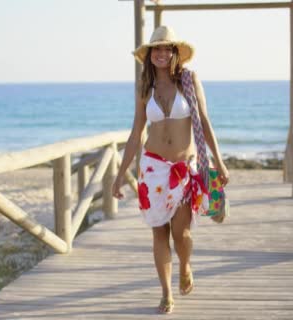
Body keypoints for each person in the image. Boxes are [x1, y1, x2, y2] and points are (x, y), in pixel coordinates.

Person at [112, 26, 230, 314]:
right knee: (158, 234)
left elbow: (204, 121)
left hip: (182, 168)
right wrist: (118, 176)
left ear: (175, 53)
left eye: (167, 48)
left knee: (182, 234)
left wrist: (219, 160)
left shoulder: (188, 80)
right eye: (156, 49)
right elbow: (136, 133)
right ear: (150, 55)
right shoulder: (144, 88)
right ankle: (166, 293)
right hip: (152, 169)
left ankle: (185, 265)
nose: (161, 53)